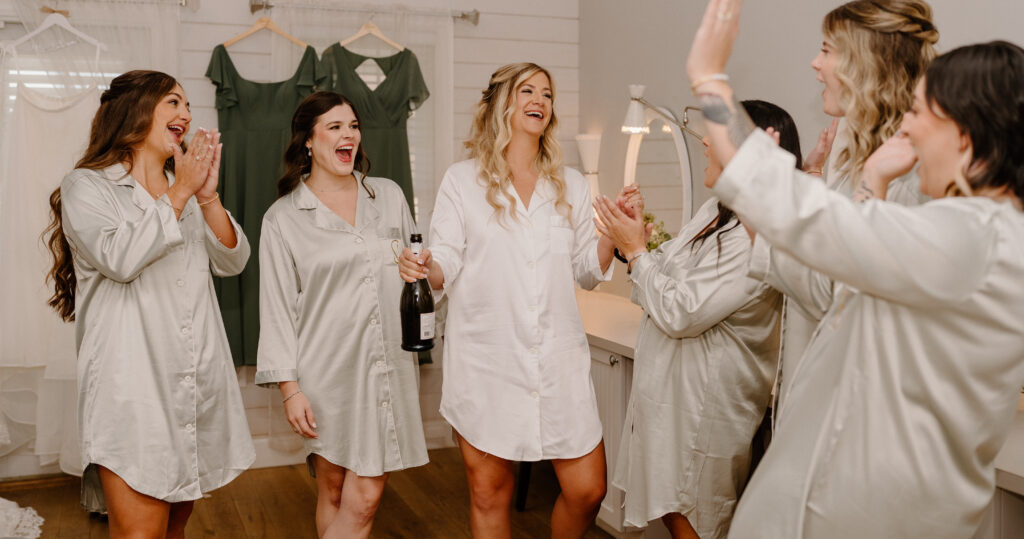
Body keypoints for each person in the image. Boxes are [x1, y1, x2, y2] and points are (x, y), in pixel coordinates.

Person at [688, 0, 1024, 538]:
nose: (910, 134)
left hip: (876, 504)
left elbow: (821, 227)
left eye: (922, 116)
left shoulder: (976, 238)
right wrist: (868, 180)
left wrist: (710, 80)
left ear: (965, 136)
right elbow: (858, 266)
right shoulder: (970, 231)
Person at [399, 63, 617, 539]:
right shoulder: (463, 181)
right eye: (527, 90)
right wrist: (424, 268)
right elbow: (446, 265)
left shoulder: (573, 184)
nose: (539, 99)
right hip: (487, 360)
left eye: (547, 93)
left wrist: (614, 237)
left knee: (587, 490)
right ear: (504, 103)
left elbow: (586, 268)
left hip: (558, 360)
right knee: (488, 492)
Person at [45, 70, 254, 539]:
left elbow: (233, 259)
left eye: (187, 105)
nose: (186, 114)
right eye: (173, 102)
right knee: (141, 533)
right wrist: (181, 192)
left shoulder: (181, 189)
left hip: (194, 381)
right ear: (135, 111)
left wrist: (207, 195)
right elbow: (120, 258)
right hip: (131, 390)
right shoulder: (88, 186)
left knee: (173, 529)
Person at [592, 100, 800, 539]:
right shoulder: (714, 212)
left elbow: (679, 310)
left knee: (697, 518)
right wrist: (639, 244)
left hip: (707, 404)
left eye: (718, 136)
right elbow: (663, 274)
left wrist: (635, 252)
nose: (705, 140)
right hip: (675, 393)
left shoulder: (752, 237)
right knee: (675, 511)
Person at [256, 91, 427, 539]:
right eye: (334, 127)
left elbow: (417, 276)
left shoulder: (387, 195)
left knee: (365, 497)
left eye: (352, 125)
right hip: (325, 375)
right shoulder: (283, 219)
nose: (348, 134)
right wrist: (291, 391)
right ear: (308, 142)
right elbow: (276, 310)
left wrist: (420, 273)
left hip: (387, 365)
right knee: (332, 491)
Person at [772, 0, 939, 411]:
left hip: (862, 403)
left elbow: (838, 292)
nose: (815, 63)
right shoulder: (852, 150)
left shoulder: (915, 174)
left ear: (866, 66)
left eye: (826, 50)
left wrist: (767, 207)